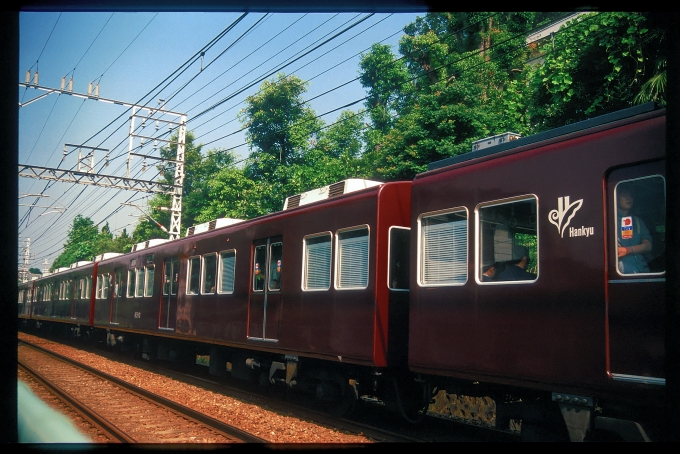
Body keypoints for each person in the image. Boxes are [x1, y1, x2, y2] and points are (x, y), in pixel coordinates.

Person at [616, 188, 652, 274]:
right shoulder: (610, 221)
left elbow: (648, 246)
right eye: (624, 195)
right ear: (616, 198)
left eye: (631, 196)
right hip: (623, 274)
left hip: (644, 271)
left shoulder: (638, 221)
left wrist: (627, 250)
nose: (629, 198)